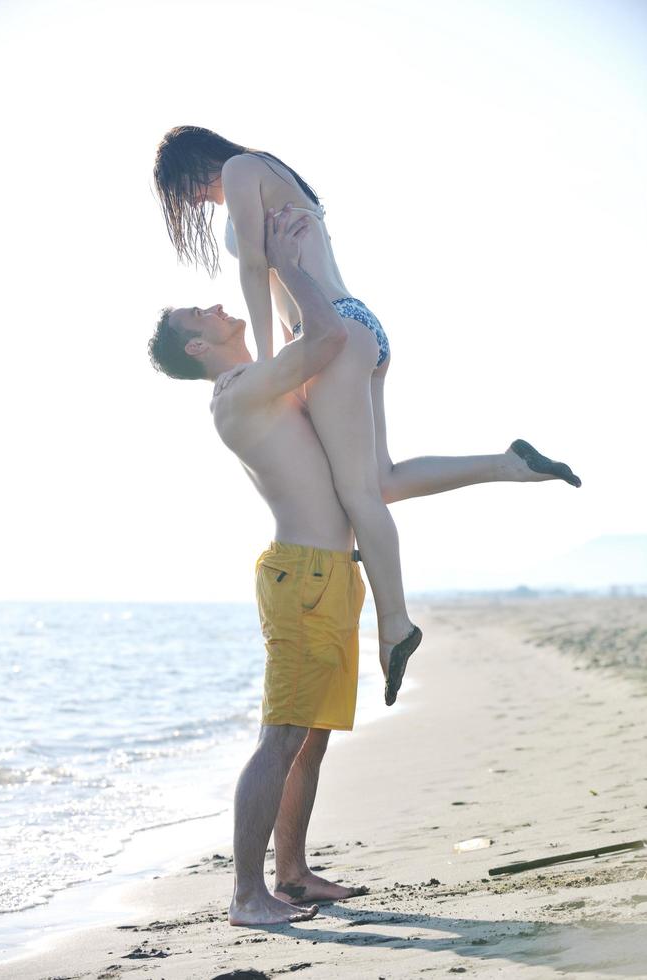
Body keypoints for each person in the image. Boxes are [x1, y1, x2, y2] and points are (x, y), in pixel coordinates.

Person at [148, 207, 580, 925]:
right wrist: (291, 266)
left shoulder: (261, 381)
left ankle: (291, 874)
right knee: (281, 736)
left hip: (331, 574)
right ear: (196, 344)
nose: (222, 303)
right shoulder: (238, 393)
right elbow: (327, 338)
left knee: (309, 739)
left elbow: (365, 468)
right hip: (304, 576)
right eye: (204, 309)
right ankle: (246, 896)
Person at [153, 127, 580, 705]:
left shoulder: (238, 171)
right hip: (357, 324)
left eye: (187, 191)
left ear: (193, 164)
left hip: (330, 333)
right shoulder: (270, 168)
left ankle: (396, 625)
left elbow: (255, 270)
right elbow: (284, 278)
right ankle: (508, 464)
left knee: (359, 497)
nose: (198, 202)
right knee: (380, 481)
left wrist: (275, 363)